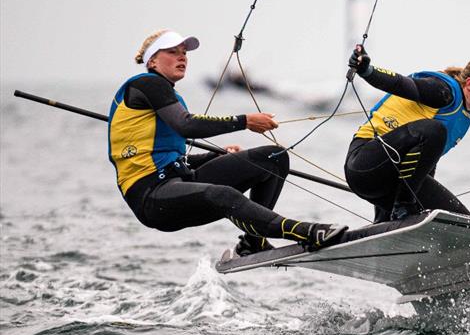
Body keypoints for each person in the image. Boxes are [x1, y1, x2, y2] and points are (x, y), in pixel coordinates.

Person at [108, 29, 346, 256]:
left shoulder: (166, 95)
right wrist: (244, 121)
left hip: (179, 180)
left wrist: (216, 156)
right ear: (152, 62)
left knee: (273, 158)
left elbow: (173, 158)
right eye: (172, 51)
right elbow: (187, 125)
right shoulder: (146, 84)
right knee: (224, 195)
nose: (182, 57)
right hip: (151, 197)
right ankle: (304, 231)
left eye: (184, 52)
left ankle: (252, 242)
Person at [344, 45, 470, 222]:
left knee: (460, 223)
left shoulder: (463, 114)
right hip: (364, 165)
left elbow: (423, 164)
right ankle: (405, 206)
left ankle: (388, 224)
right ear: (469, 84)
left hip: (392, 180)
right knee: (434, 130)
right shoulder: (444, 91)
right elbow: (401, 84)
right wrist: (367, 71)